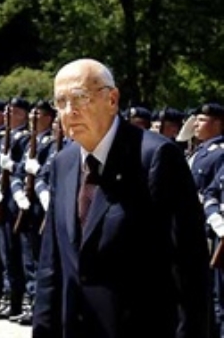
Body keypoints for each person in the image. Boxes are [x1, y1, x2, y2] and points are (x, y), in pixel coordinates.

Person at [32, 58, 211, 338]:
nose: (70, 111)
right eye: (61, 101)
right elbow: (51, 266)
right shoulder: (64, 163)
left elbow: (188, 268)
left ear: (112, 99)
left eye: (80, 98)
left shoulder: (154, 158)